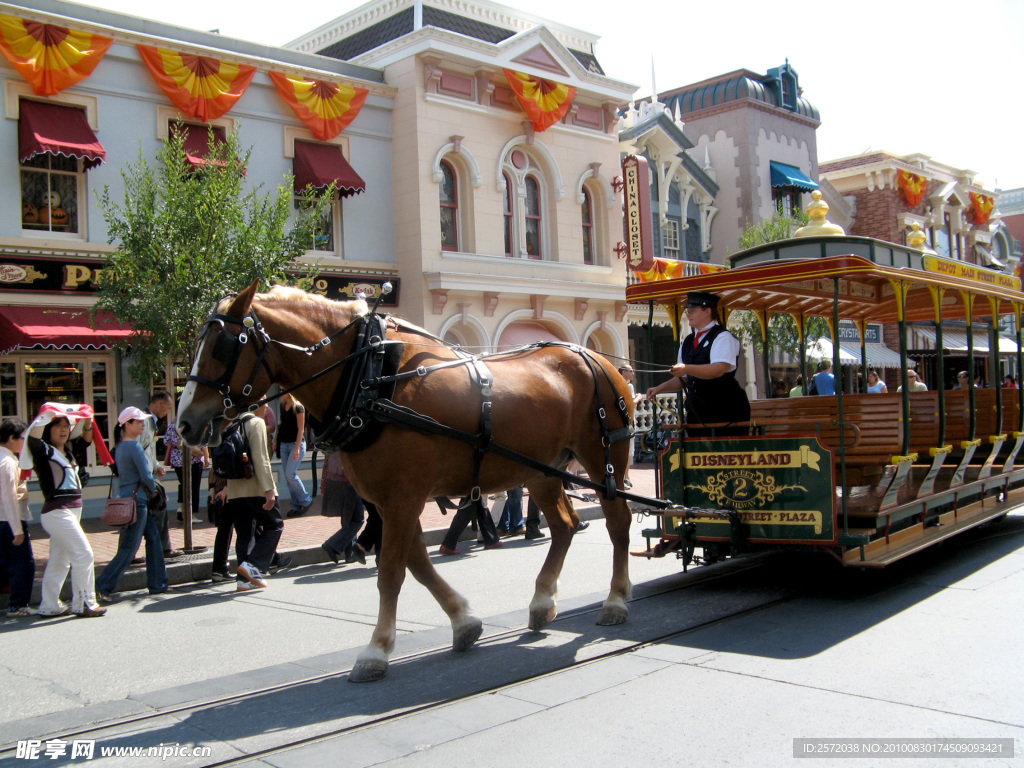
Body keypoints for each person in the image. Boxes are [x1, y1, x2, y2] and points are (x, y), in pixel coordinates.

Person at [21, 404, 105, 617]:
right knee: (84, 554)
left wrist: (87, 420)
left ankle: (50, 605)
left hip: (71, 511)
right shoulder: (44, 451)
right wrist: (46, 414)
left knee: (60, 560)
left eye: (66, 425)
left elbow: (87, 440)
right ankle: (85, 602)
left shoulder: (68, 451)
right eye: (57, 425)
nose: (63, 429)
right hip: (58, 511)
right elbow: (33, 440)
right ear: (49, 428)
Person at [645, 291, 750, 437]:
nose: (688, 315)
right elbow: (684, 378)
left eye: (692, 311)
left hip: (725, 410)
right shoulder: (688, 341)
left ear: (707, 311)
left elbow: (718, 369)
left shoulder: (723, 337)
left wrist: (686, 368)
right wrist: (659, 388)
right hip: (698, 410)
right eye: (687, 311)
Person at [96, 407, 170, 602]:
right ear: (127, 425)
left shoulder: (121, 446)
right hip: (138, 500)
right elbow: (146, 474)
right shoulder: (134, 447)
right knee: (130, 547)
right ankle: (102, 585)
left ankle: (158, 584)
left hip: (131, 498)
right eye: (138, 422)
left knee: (153, 538)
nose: (142, 424)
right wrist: (154, 488)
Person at [223, 404, 283, 591]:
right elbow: (261, 458)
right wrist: (269, 488)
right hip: (256, 487)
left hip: (235, 490)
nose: (267, 405)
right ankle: (253, 565)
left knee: (245, 534)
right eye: (264, 402)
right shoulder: (256, 423)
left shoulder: (230, 424)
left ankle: (243, 580)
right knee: (275, 525)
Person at [140, 391, 181, 559]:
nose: (167, 413)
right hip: (143, 477)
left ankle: (163, 548)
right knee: (145, 515)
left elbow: (147, 450)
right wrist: (149, 478)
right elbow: (139, 452)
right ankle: (160, 549)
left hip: (148, 474)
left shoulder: (151, 422)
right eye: (167, 408)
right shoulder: (144, 423)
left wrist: (156, 466)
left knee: (156, 512)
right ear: (159, 405)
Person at [1, 418, 34, 617]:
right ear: (12, 438)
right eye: (23, 438)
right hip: (9, 520)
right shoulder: (7, 463)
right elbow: (9, 497)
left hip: (4, 520)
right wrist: (17, 529)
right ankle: (18, 605)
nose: (24, 442)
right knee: (22, 564)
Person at [321, 451, 366, 564]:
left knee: (349, 518)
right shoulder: (346, 437)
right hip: (348, 480)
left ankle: (349, 553)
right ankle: (332, 544)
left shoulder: (333, 438)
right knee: (357, 519)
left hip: (335, 478)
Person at [164, 417, 209, 523]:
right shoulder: (194, 421)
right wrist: (206, 456)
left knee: (183, 483)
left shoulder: (173, 424)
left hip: (177, 459)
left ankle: (180, 506)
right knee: (193, 487)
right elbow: (202, 441)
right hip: (194, 458)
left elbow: (166, 440)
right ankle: (191, 515)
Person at [276, 393, 312, 517]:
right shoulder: (283, 405)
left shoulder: (298, 407)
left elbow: (301, 429)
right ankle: (295, 505)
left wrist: (297, 448)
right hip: (284, 444)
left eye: (282, 390)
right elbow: (280, 426)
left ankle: (306, 499)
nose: (280, 393)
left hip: (295, 444)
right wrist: (276, 440)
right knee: (288, 478)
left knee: (290, 474)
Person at [617, 364, 643, 488]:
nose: (633, 373)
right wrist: (638, 397)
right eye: (630, 371)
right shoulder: (622, 385)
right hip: (623, 423)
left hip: (629, 422)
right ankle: (622, 478)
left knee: (629, 452)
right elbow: (630, 403)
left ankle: (626, 477)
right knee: (624, 450)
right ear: (623, 372)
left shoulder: (627, 385)